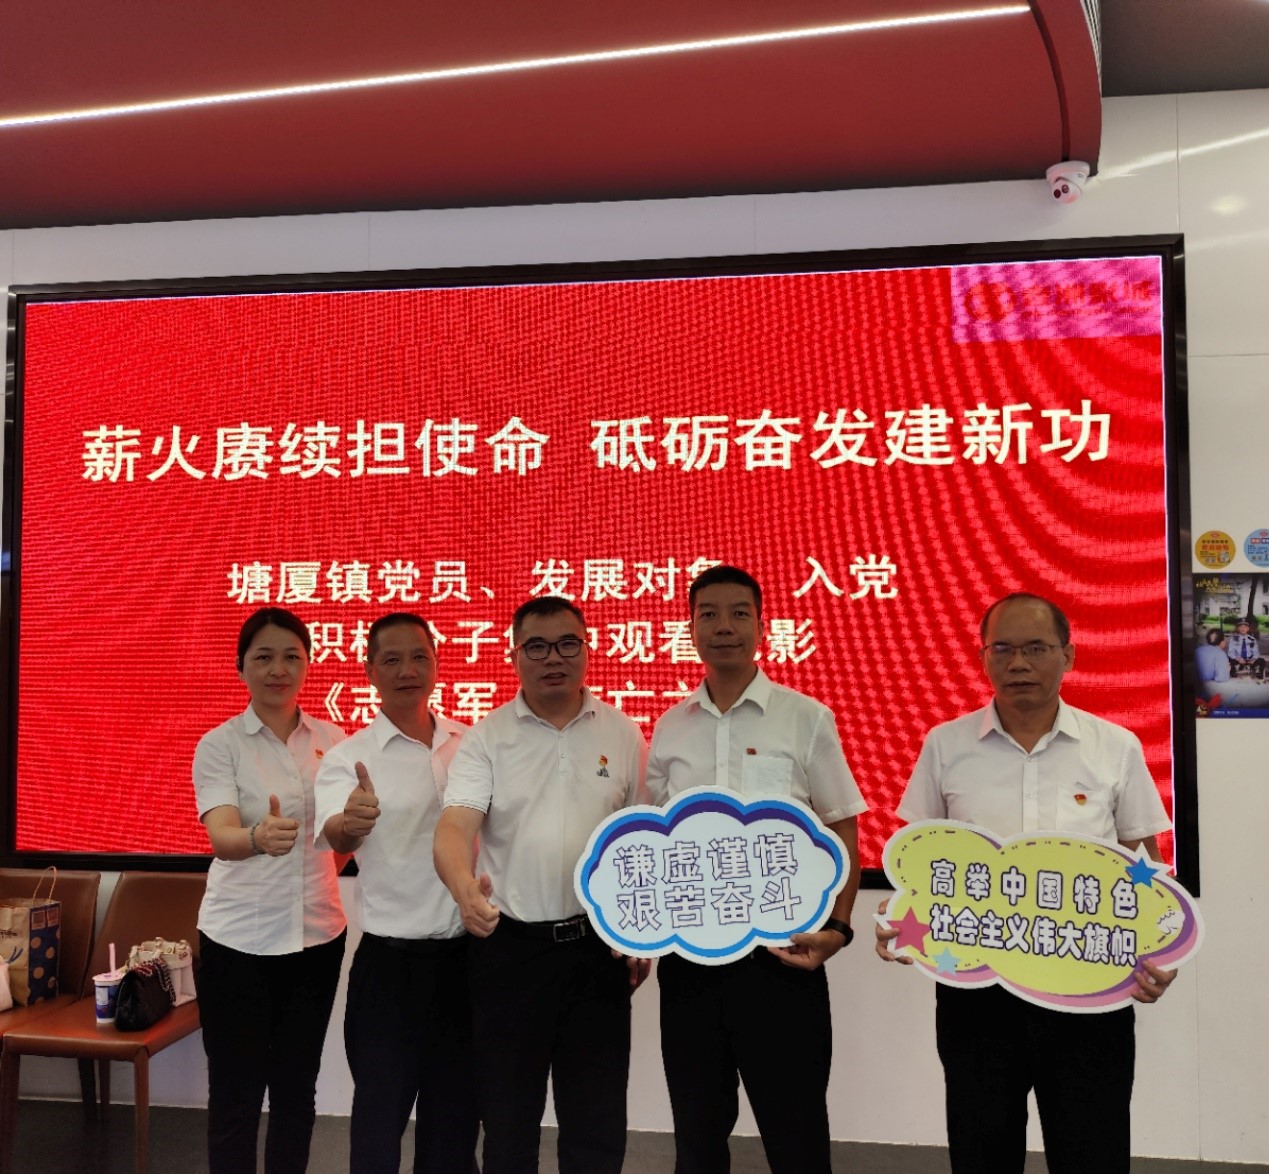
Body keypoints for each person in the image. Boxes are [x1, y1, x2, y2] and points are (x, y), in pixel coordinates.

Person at [876, 592, 1175, 1174]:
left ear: (1068, 656)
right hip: (977, 992)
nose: (1018, 663)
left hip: (1088, 989)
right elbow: (919, 861)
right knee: (982, 1151)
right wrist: (899, 920)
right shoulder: (946, 745)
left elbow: (1146, 863)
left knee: (1093, 1152)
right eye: (1003, 649)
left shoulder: (1114, 747)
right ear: (983, 658)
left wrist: (1162, 947)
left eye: (1036, 648)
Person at [645, 565, 866, 1174]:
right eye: (709, 614)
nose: (724, 626)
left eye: (739, 613)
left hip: (782, 957)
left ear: (762, 627)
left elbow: (842, 827)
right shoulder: (669, 727)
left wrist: (839, 927)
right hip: (690, 964)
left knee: (795, 1134)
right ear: (690, 628)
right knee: (697, 1134)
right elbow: (656, 839)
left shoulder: (805, 717)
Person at [434, 596, 647, 1174]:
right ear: (514, 656)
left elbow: (640, 841)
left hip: (597, 952)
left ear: (588, 648)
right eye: (537, 646)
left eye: (567, 643)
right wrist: (463, 888)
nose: (554, 657)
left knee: (596, 1121)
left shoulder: (623, 733)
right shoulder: (487, 738)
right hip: (510, 951)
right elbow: (455, 827)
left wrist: (639, 933)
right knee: (508, 1120)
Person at [313, 613, 478, 1174]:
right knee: (378, 1126)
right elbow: (337, 832)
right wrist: (352, 821)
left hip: (465, 962)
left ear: (436, 662)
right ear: (369, 671)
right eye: (391, 659)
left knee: (455, 1128)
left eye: (419, 656)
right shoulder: (349, 758)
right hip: (390, 971)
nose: (408, 670)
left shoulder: (472, 745)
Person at [193, 607, 347, 1174]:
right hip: (238, 940)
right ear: (241, 668)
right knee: (235, 1094)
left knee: (296, 1090)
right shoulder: (221, 744)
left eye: (291, 656)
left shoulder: (334, 741)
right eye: (263, 657)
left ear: (307, 663)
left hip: (317, 937)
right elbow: (223, 836)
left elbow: (342, 839)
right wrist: (257, 838)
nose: (278, 669)